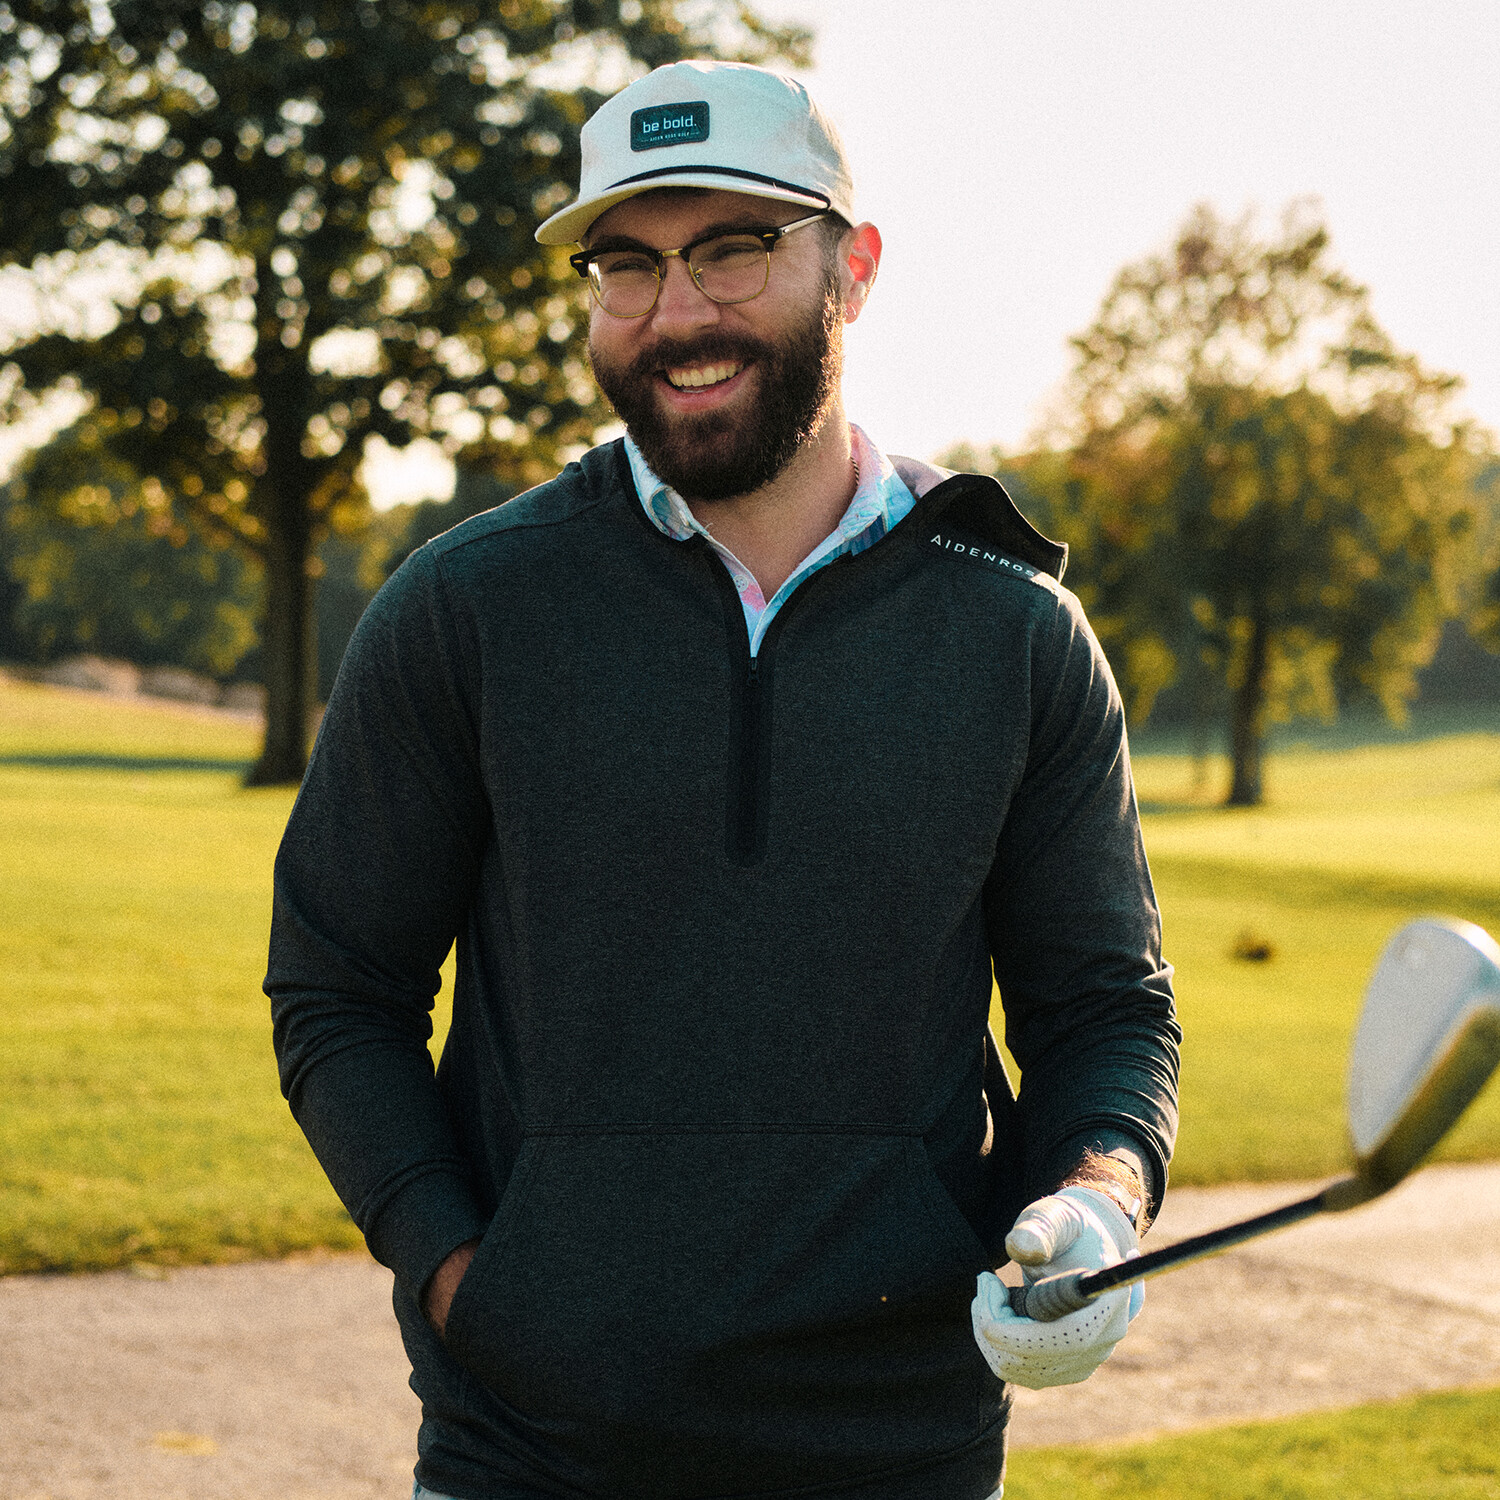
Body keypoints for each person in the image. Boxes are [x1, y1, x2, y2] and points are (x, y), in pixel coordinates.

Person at [268, 59, 1179, 1500]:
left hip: (901, 1452)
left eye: (732, 250)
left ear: (853, 269)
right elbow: (337, 991)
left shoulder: (1013, 633)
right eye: (626, 266)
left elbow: (1105, 1013)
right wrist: (461, 1278)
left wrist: (1098, 1201)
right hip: (533, 1454)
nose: (676, 313)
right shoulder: (467, 608)